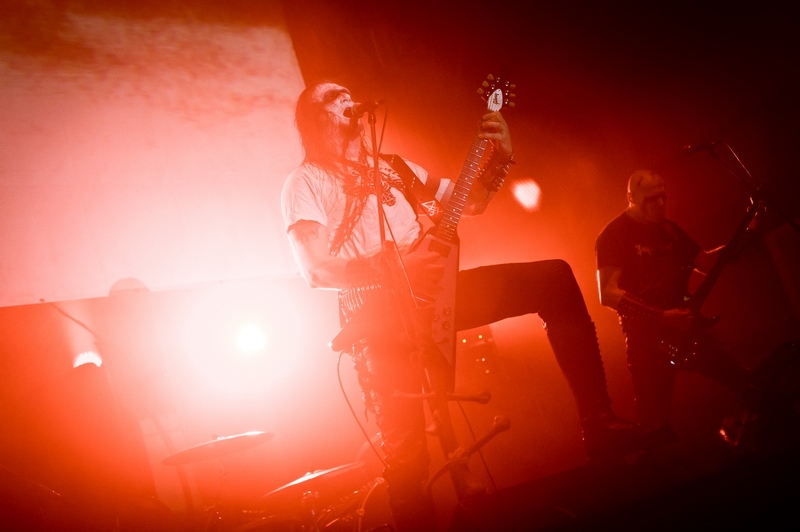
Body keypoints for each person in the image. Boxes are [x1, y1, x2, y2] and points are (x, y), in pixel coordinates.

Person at [281, 81, 646, 531]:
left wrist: (500, 156)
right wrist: (392, 269)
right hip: (377, 318)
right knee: (408, 457)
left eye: (347, 92)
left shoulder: (396, 166)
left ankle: (598, 419)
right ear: (314, 119)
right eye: (332, 98)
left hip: (437, 296)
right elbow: (316, 270)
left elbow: (469, 201)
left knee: (553, 278)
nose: (347, 98)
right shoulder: (303, 182)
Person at [595, 169, 751, 441]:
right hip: (646, 339)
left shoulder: (670, 230)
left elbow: (707, 263)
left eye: (663, 198)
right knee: (654, 424)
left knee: (745, 382)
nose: (660, 205)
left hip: (688, 327)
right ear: (632, 197)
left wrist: (748, 234)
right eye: (651, 199)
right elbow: (608, 294)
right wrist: (661, 317)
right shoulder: (614, 234)